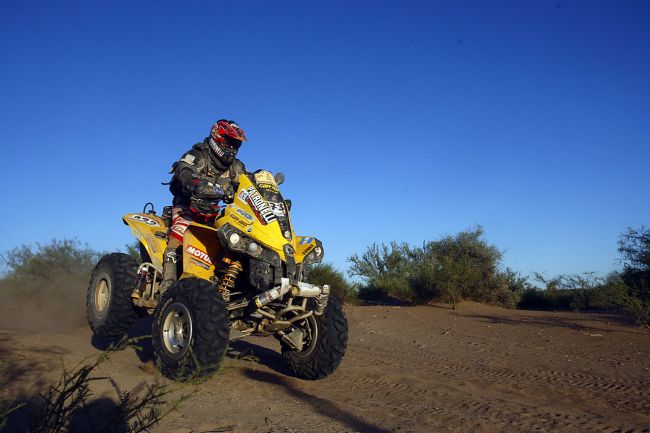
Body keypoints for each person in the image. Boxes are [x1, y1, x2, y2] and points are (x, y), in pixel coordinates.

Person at [161, 119, 248, 292]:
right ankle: (167, 286)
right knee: (179, 233)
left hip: (212, 212)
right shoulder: (198, 155)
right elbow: (183, 169)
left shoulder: (236, 167)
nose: (232, 148)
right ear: (218, 138)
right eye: (229, 142)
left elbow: (247, 184)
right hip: (186, 206)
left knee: (238, 239)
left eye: (236, 144)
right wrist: (193, 182)